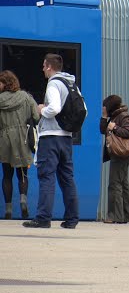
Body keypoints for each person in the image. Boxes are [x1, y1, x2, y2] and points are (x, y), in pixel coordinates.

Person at [24, 54, 83, 229]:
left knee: (46, 177)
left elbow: (55, 108)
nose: (42, 69)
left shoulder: (53, 84)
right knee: (67, 178)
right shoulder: (71, 84)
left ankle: (43, 218)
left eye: (43, 66)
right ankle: (72, 219)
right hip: (66, 138)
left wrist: (42, 110)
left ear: (49, 66)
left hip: (50, 137)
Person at [0, 70, 38, 219]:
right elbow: (36, 116)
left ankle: (8, 209)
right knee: (22, 173)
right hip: (22, 138)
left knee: (7, 175)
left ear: (6, 83)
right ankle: (23, 201)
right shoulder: (26, 97)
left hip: (4, 139)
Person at [100, 94, 129, 224]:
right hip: (119, 154)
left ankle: (116, 216)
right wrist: (104, 117)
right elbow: (102, 130)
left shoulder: (123, 116)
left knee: (114, 184)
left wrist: (114, 127)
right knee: (123, 184)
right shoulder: (115, 116)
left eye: (105, 107)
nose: (103, 108)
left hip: (122, 154)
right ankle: (128, 215)